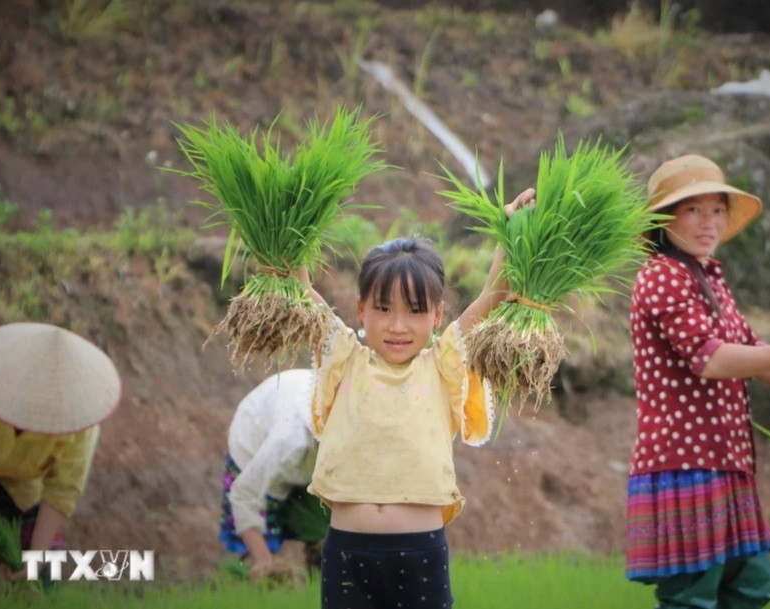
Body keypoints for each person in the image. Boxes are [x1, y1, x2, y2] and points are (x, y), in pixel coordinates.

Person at [625, 155, 770, 609]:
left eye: (717, 209)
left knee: (750, 586)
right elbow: (710, 360)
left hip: (728, 461)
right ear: (665, 218)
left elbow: (754, 354)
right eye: (693, 210)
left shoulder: (709, 278)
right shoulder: (660, 277)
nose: (708, 222)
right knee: (693, 597)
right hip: (685, 463)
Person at [294, 187, 535, 609]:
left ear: (438, 316)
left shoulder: (442, 366)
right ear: (361, 311)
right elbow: (302, 295)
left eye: (415, 311)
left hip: (421, 553)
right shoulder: (345, 358)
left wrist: (510, 235)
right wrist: (284, 239)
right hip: (347, 553)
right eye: (383, 309)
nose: (398, 326)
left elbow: (491, 299)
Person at [0, 322, 121, 571]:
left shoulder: (80, 426)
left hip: (23, 485)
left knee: (46, 564)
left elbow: (62, 492)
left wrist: (36, 562)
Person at [219, 367, 327, 583]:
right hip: (254, 442)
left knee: (326, 528)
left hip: (305, 443)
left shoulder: (360, 434)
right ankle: (258, 575)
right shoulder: (286, 441)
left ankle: (322, 574)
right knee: (261, 542)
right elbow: (243, 495)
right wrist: (265, 562)